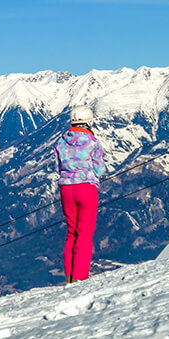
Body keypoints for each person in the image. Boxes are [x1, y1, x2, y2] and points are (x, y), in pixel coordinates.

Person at [53, 105, 106, 283]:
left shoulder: (60, 142)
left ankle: (68, 276)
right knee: (84, 234)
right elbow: (99, 170)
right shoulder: (93, 142)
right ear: (89, 122)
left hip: (66, 189)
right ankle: (79, 278)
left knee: (71, 233)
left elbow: (57, 168)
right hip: (86, 188)